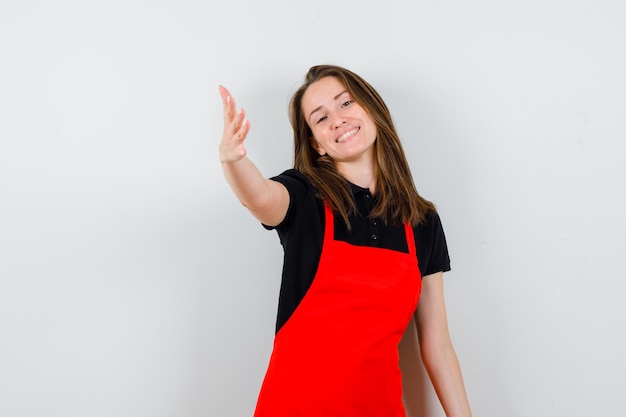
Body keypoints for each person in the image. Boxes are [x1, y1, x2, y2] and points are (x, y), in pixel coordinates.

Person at [219, 65, 473, 417]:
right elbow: (261, 198)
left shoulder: (423, 221)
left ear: (371, 109)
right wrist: (232, 161)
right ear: (316, 145)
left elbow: (437, 344)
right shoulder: (303, 196)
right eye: (320, 118)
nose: (337, 120)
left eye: (345, 103)